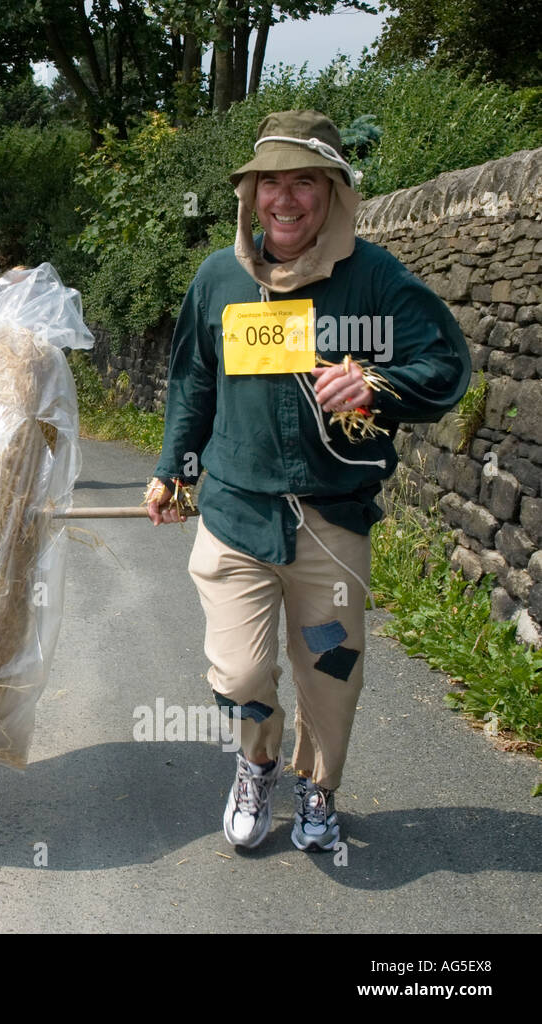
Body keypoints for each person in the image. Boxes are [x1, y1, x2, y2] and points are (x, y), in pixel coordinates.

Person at [146, 110, 470, 853]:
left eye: (303, 183)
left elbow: (445, 367)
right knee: (239, 670)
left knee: (330, 666)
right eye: (269, 183)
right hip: (234, 512)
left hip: (330, 522)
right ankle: (256, 765)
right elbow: (193, 380)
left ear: (332, 192)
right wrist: (172, 467)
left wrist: (376, 385)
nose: (284, 200)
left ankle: (318, 788)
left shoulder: (376, 277)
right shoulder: (219, 278)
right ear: (249, 195)